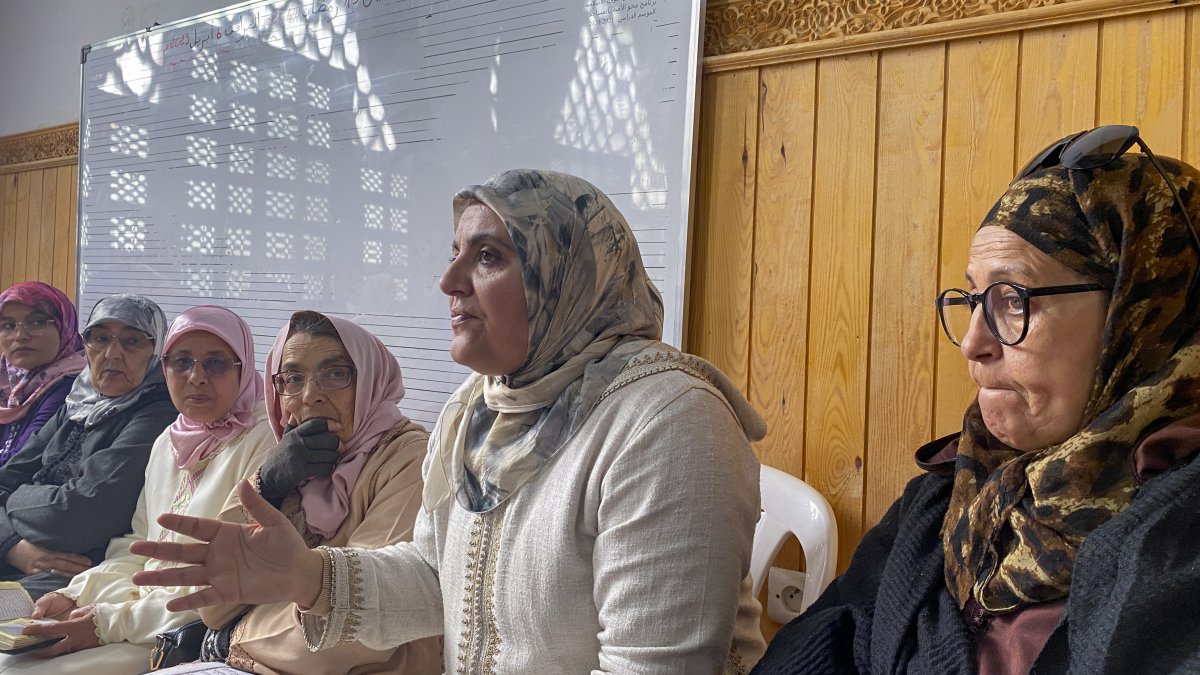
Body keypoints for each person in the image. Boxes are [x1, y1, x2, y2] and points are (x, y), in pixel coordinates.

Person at [131, 169, 767, 674]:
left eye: (488, 257)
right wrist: (309, 577)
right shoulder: (477, 406)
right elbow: (437, 579)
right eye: (455, 253)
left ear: (567, 278)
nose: (448, 281)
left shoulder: (665, 423)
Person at [750, 125, 1200, 674]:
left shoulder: (1177, 539)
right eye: (971, 299)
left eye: (1012, 299)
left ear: (1141, 317)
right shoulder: (955, 491)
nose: (973, 343)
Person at [0, 305, 276, 673]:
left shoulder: (264, 441)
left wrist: (105, 622)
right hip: (133, 608)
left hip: (187, 626)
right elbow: (138, 546)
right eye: (181, 362)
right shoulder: (171, 439)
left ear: (244, 367)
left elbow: (228, 583)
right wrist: (76, 595)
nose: (195, 377)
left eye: (216, 363)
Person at [194, 310, 441, 674]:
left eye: (336, 374)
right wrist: (270, 485)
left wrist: (233, 636)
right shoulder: (291, 457)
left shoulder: (408, 459)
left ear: (371, 381)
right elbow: (215, 601)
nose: (310, 396)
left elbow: (356, 630)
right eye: (292, 378)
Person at [0, 294, 177, 600]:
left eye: (132, 342)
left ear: (156, 352)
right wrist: (13, 547)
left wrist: (13, 498)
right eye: (100, 338)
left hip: (75, 571)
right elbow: (5, 479)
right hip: (21, 554)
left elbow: (78, 515)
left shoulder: (157, 411)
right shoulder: (79, 402)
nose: (112, 354)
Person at [0, 283, 86, 465]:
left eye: (37, 322)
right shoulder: (6, 379)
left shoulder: (72, 386)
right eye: (8, 325)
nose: (20, 335)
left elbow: (17, 462)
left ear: (64, 327)